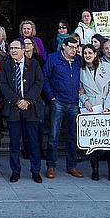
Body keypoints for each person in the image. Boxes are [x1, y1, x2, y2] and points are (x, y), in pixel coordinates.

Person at [0, 38, 44, 183]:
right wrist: (17, 100)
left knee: (33, 142)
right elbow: (4, 85)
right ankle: (15, 171)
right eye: (11, 48)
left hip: (31, 108)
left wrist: (27, 100)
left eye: (16, 48)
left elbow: (39, 83)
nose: (13, 51)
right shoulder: (6, 66)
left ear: (23, 49)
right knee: (14, 143)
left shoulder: (34, 64)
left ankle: (35, 171)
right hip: (13, 108)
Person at [43, 34, 83, 179]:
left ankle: (71, 165)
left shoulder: (78, 60)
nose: (74, 50)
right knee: (53, 135)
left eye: (76, 47)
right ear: (64, 46)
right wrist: (51, 97)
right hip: (58, 101)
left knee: (72, 136)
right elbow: (45, 77)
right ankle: (51, 166)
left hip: (73, 101)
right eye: (71, 47)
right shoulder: (53, 58)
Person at [79, 43, 110, 181]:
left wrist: (107, 107)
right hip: (91, 108)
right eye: (85, 53)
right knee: (93, 141)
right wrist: (85, 101)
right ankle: (94, 169)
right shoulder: (81, 70)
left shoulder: (107, 67)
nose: (88, 55)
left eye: (90, 53)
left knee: (109, 142)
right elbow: (80, 90)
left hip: (107, 107)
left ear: (95, 54)